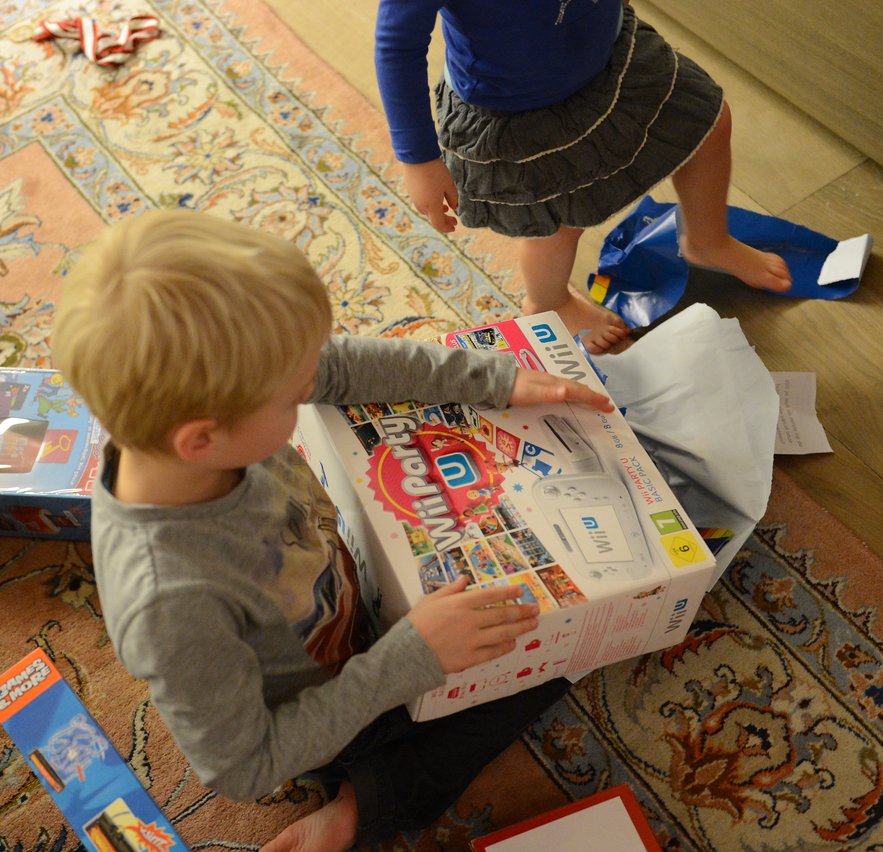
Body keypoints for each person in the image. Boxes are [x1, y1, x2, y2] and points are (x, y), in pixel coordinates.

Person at [50, 209, 617, 851]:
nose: (310, 389)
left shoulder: (202, 418)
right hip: (334, 712)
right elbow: (243, 766)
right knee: (562, 647)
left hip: (353, 608)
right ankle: (362, 806)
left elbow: (338, 367)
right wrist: (408, 661)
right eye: (294, 396)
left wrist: (495, 378)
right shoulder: (171, 604)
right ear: (202, 440)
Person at [375, 0, 792, 354]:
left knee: (708, 122)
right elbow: (397, 45)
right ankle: (548, 302)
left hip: (610, 59)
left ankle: (708, 240)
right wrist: (418, 160)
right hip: (516, 112)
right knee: (557, 225)